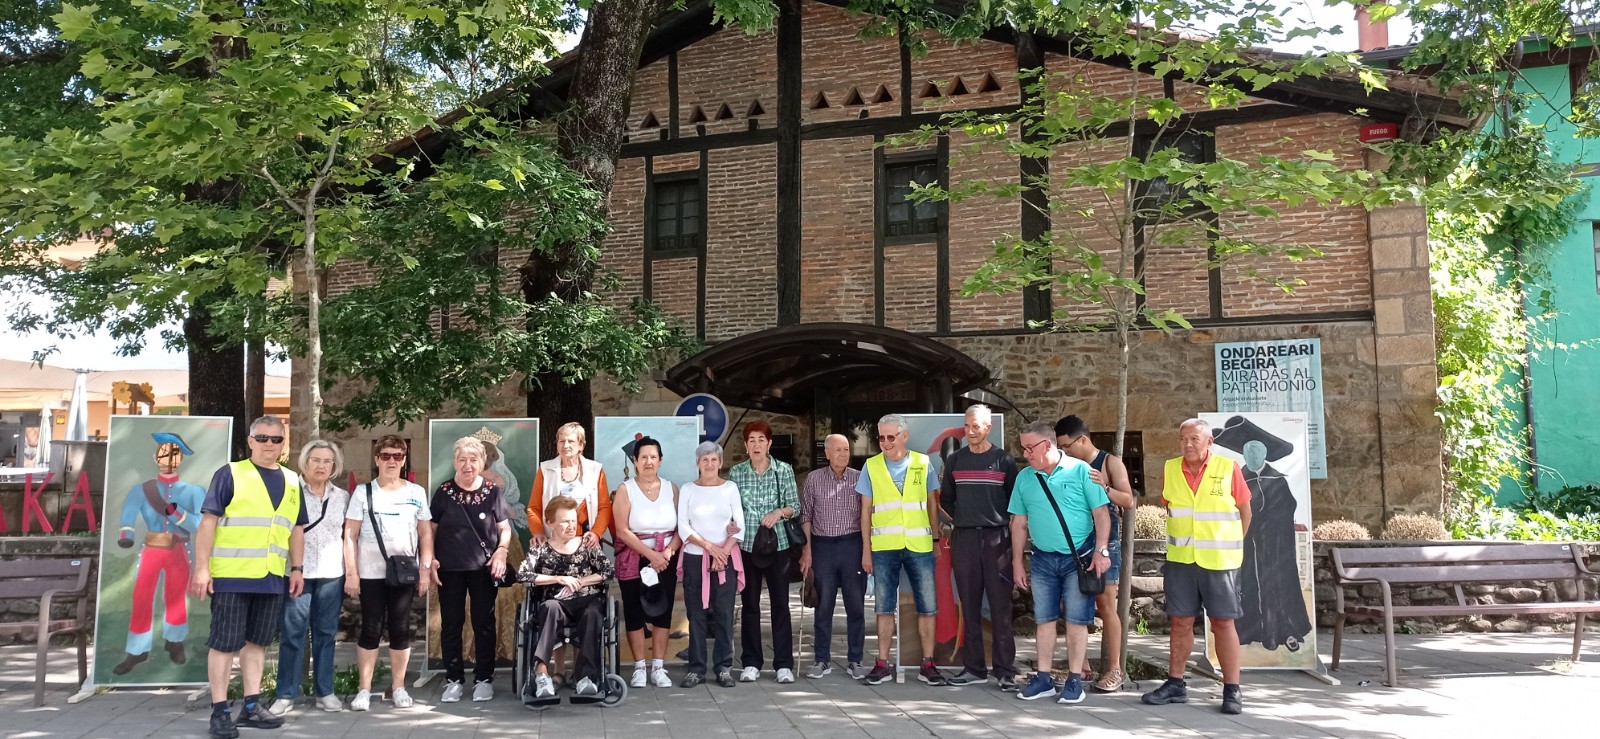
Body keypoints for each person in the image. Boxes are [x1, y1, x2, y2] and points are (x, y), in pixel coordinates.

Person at [191, 417, 307, 739]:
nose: (270, 444)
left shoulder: (293, 480)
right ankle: (220, 711)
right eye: (263, 438)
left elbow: (296, 529)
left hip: (272, 576)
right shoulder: (230, 473)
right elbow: (208, 523)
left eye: (276, 439)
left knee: (257, 643)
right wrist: (202, 568)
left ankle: (252, 705)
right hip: (232, 576)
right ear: (250, 440)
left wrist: (296, 569)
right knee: (224, 644)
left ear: (284, 444)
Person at [1141, 418, 1253, 715]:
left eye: (1194, 439)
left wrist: (1231, 544)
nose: (1187, 444)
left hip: (1220, 562)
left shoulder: (1228, 469)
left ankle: (1232, 690)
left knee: (1222, 623)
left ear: (1209, 442)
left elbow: (1245, 511)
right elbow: (1171, 508)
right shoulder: (1169, 469)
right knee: (1180, 621)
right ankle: (1175, 684)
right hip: (1182, 561)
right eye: (1183, 439)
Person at [1009, 421, 1111, 704]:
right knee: (1044, 619)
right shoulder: (1024, 478)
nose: (1026, 453)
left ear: (1048, 445)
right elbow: (1018, 523)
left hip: (1078, 559)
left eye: (1030, 448)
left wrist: (1101, 551)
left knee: (1077, 621)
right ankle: (1043, 679)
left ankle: (1075, 681)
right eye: (1023, 448)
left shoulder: (1081, 471)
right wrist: (1017, 563)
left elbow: (1101, 514)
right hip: (1042, 559)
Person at [342, 435, 433, 712]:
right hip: (370, 572)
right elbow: (350, 534)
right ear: (376, 459)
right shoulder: (363, 493)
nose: (391, 461)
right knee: (370, 627)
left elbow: (425, 532)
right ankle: (364, 689)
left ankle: (398, 687)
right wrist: (351, 573)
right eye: (386, 456)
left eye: (397, 456)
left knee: (400, 629)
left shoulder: (416, 493)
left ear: (404, 460)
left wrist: (426, 570)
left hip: (404, 572)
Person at [1211, 415, 1312, 652]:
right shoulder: (1237, 478)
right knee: (1246, 583)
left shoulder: (1276, 481)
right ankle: (1250, 630)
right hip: (1246, 543)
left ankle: (1280, 631)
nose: (1252, 458)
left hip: (1274, 546)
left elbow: (1287, 507)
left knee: (1275, 584)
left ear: (1264, 455)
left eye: (1256, 453)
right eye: (1248, 453)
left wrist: (1268, 526)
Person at [858, 413, 946, 686]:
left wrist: (934, 541)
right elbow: (865, 512)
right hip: (884, 547)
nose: (885, 442)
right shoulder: (871, 466)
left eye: (890, 437)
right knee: (884, 607)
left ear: (904, 436)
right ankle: (882, 664)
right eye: (881, 437)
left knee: (928, 607)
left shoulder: (923, 463)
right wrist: (866, 550)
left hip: (920, 546)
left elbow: (932, 505)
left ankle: (928, 664)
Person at [113, 431, 206, 676]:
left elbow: (200, 525)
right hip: (152, 548)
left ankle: (174, 641)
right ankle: (137, 649)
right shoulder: (142, 490)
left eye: (174, 453)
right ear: (155, 457)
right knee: (141, 596)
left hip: (179, 548)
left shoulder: (194, 491)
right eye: (163, 453)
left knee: (176, 596)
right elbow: (128, 513)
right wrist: (127, 535)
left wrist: (177, 515)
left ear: (181, 459)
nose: (168, 458)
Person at [941, 405, 1020, 690]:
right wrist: (963, 519)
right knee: (969, 606)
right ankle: (973, 668)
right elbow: (946, 499)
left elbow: (1015, 502)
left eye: (975, 426)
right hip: (964, 540)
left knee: (1000, 608)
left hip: (997, 540)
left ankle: (1005, 671)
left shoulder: (1004, 461)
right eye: (966, 426)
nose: (969, 431)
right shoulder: (955, 460)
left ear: (988, 428)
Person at [268, 440, 350, 715]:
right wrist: (294, 568)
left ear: (334, 466)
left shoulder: (342, 497)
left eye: (327, 461)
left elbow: (347, 536)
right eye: (316, 460)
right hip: (297, 574)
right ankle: (286, 694)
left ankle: (325, 692)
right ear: (305, 462)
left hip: (331, 574)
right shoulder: (290, 492)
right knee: (293, 634)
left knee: (326, 635)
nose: (321, 466)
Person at [430, 435, 513, 703]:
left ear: (482, 462)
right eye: (462, 459)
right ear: (454, 461)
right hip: (449, 568)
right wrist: (429, 560)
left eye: (473, 459)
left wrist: (501, 551)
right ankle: (453, 679)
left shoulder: (492, 491)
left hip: (483, 569)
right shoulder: (443, 492)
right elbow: (430, 529)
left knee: (484, 623)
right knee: (451, 624)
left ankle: (484, 679)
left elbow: (504, 527)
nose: (468, 465)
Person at [1056, 415, 1136, 693]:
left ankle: (1115, 668)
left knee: (1106, 604)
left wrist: (1105, 486)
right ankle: (1082, 667)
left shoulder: (1109, 462)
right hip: (1075, 542)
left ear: (1082, 440)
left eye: (1065, 446)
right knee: (1072, 603)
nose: (1062, 452)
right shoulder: (1065, 465)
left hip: (1106, 541)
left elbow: (1129, 500)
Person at [521, 496, 615, 702]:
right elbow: (524, 574)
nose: (571, 526)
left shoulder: (587, 545)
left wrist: (582, 581)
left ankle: (586, 678)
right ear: (550, 523)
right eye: (565, 521)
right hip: (556, 603)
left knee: (593, 612)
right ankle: (542, 674)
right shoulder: (541, 548)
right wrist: (558, 578)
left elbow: (608, 571)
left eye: (574, 521)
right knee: (550, 608)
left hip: (585, 600)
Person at [727, 420, 800, 684]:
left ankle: (783, 664)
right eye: (751, 440)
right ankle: (751, 662)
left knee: (781, 604)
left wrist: (778, 512)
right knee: (749, 604)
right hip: (747, 546)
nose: (756, 444)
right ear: (745, 446)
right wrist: (730, 523)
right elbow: (730, 508)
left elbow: (795, 506)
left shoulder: (784, 470)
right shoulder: (736, 473)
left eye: (761, 439)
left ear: (769, 444)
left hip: (778, 544)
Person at [612, 436, 680, 688]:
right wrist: (650, 556)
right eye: (643, 457)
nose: (648, 461)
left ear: (660, 461)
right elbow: (622, 530)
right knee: (634, 611)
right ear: (635, 461)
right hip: (635, 557)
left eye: (653, 457)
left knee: (663, 611)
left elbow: (681, 527)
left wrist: (668, 553)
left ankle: (658, 667)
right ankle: (640, 667)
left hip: (666, 559)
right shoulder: (625, 490)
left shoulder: (671, 488)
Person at [799, 433, 867, 680]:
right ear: (827, 453)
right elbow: (805, 516)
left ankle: (856, 659)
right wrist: (807, 551)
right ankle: (821, 659)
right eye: (838, 450)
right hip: (822, 547)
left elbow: (867, 517)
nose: (843, 454)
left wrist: (867, 551)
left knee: (856, 605)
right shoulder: (814, 479)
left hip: (852, 545)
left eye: (846, 449)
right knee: (823, 606)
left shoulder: (860, 479)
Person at [677, 441, 745, 688]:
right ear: (697, 463)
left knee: (724, 613)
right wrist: (709, 547)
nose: (709, 464)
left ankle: (724, 667)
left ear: (721, 462)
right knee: (696, 614)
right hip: (696, 557)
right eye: (704, 460)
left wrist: (723, 552)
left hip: (724, 558)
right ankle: (696, 668)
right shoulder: (688, 489)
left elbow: (740, 524)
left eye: (713, 459)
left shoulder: (730, 488)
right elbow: (683, 526)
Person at [527, 422, 612, 548]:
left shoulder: (595, 469)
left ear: (581, 445)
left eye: (571, 441)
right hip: (552, 541)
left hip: (587, 542)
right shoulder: (545, 469)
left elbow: (604, 507)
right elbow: (534, 508)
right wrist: (538, 532)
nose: (565, 445)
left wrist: (596, 533)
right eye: (561, 441)